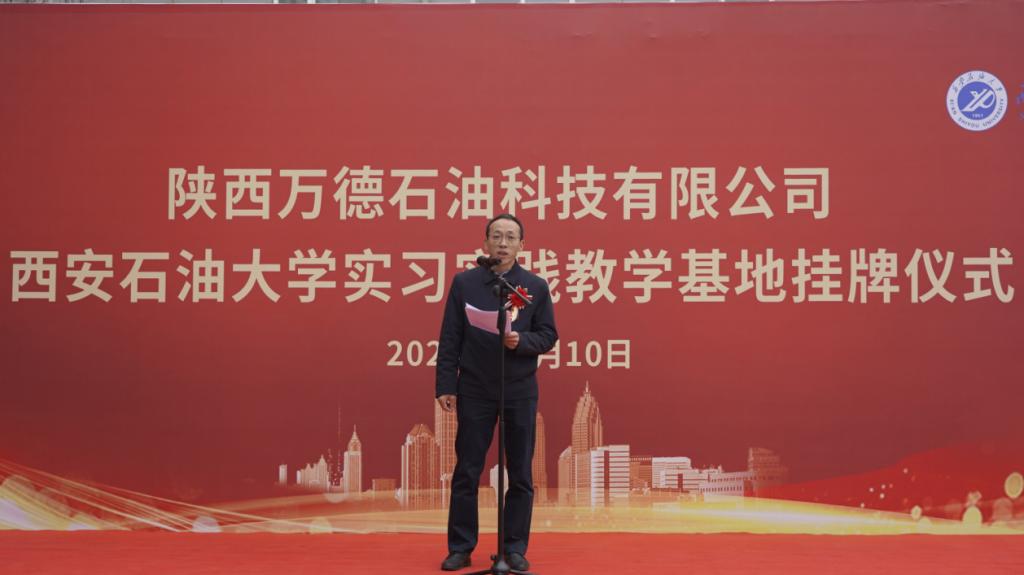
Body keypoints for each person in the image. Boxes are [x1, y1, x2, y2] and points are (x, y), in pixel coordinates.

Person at [435, 214, 559, 572]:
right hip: (475, 387)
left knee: (520, 472)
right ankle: (461, 547)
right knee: (467, 470)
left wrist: (522, 341)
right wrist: (446, 385)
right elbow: (450, 336)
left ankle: (514, 548)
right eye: (497, 236)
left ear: (522, 245)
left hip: (519, 388)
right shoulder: (465, 283)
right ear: (485, 242)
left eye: (510, 237)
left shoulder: (534, 286)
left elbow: (548, 334)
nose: (503, 243)